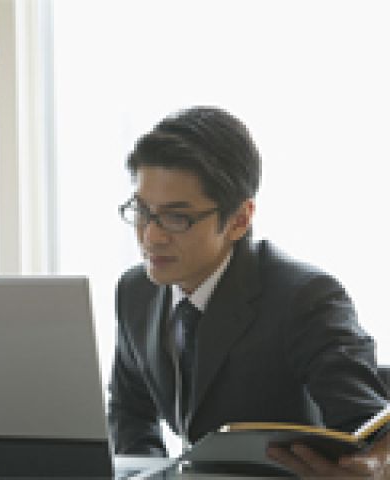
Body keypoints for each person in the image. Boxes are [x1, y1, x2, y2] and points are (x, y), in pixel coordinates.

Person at [108, 106, 390, 477]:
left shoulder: (305, 298)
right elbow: (130, 412)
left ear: (240, 220)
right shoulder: (136, 291)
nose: (151, 236)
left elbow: (373, 434)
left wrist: (376, 466)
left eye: (177, 218)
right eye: (143, 211)